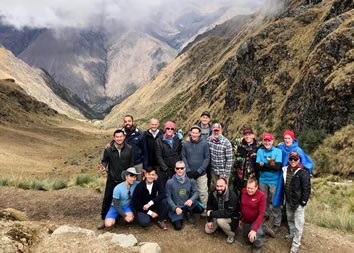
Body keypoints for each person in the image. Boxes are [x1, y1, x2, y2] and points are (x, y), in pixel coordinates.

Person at [97, 129, 134, 230]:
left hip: (124, 180)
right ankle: (104, 218)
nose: (119, 138)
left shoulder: (129, 149)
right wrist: (103, 166)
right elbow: (105, 161)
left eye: (121, 136)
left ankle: (119, 217)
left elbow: (131, 164)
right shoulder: (108, 149)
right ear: (114, 138)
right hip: (112, 178)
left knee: (125, 197)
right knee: (108, 198)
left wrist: (130, 177)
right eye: (117, 137)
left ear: (124, 137)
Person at [282, 152, 311, 253]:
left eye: (295, 159)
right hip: (289, 200)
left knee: (299, 223)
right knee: (290, 219)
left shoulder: (303, 172)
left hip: (298, 202)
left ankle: (295, 244)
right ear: (289, 160)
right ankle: (292, 234)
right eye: (291, 159)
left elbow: (307, 188)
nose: (293, 161)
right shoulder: (286, 170)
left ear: (298, 160)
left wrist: (303, 202)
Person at [106, 115, 148, 181]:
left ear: (133, 122)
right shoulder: (121, 133)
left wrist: (145, 167)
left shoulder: (140, 134)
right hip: (124, 165)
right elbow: (116, 140)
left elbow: (145, 151)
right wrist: (110, 144)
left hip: (137, 164)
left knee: (138, 184)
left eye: (129, 121)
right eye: (125, 121)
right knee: (125, 184)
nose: (127, 123)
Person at [256, 133, 282, 232]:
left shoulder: (278, 151)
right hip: (262, 180)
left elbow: (277, 167)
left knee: (275, 201)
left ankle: (276, 222)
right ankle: (265, 215)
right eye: (265, 141)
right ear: (263, 141)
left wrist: (264, 165)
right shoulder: (260, 151)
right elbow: (257, 166)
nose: (267, 142)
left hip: (274, 181)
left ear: (272, 141)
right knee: (264, 200)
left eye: (269, 141)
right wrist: (270, 166)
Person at [166, 161, 203, 230]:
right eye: (177, 168)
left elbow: (196, 192)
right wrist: (175, 208)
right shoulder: (170, 182)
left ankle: (188, 212)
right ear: (175, 169)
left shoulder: (191, 180)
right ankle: (180, 214)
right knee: (178, 227)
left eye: (182, 168)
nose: (179, 170)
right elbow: (168, 197)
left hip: (187, 204)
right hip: (177, 206)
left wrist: (191, 200)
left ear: (185, 169)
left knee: (201, 209)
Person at [182, 125, 210, 215]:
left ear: (199, 133)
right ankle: (189, 211)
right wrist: (188, 170)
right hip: (189, 173)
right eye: (193, 132)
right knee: (188, 192)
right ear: (190, 133)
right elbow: (183, 156)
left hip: (201, 173)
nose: (194, 134)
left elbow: (207, 158)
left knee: (203, 192)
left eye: (196, 133)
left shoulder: (204, 143)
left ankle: (204, 210)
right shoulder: (186, 144)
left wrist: (200, 170)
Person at [205, 178, 239, 244]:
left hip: (230, 217)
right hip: (217, 214)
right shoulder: (213, 193)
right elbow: (209, 206)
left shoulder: (232, 196)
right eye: (217, 186)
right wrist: (209, 220)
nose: (219, 188)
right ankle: (221, 227)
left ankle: (231, 234)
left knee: (220, 221)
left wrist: (212, 213)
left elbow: (227, 213)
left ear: (226, 186)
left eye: (221, 186)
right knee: (208, 230)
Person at [240, 177, 266, 253]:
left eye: (252, 188)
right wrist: (240, 218)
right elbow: (242, 206)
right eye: (248, 187)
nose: (249, 190)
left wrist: (254, 230)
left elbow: (261, 214)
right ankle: (263, 229)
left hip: (256, 220)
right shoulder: (243, 191)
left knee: (254, 235)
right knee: (247, 240)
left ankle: (258, 246)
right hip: (246, 220)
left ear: (256, 187)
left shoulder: (261, 195)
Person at [232, 128, 261, 195]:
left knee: (251, 195)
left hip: (252, 177)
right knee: (239, 195)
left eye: (249, 134)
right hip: (240, 176)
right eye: (246, 135)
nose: (247, 136)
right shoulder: (238, 144)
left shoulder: (258, 146)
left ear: (253, 135)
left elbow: (268, 146)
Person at [207, 123, 233, 187]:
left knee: (224, 190)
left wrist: (225, 174)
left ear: (221, 131)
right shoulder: (208, 140)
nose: (216, 132)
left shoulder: (227, 143)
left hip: (223, 171)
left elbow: (229, 159)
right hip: (214, 171)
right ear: (212, 131)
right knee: (216, 189)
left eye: (217, 130)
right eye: (214, 131)